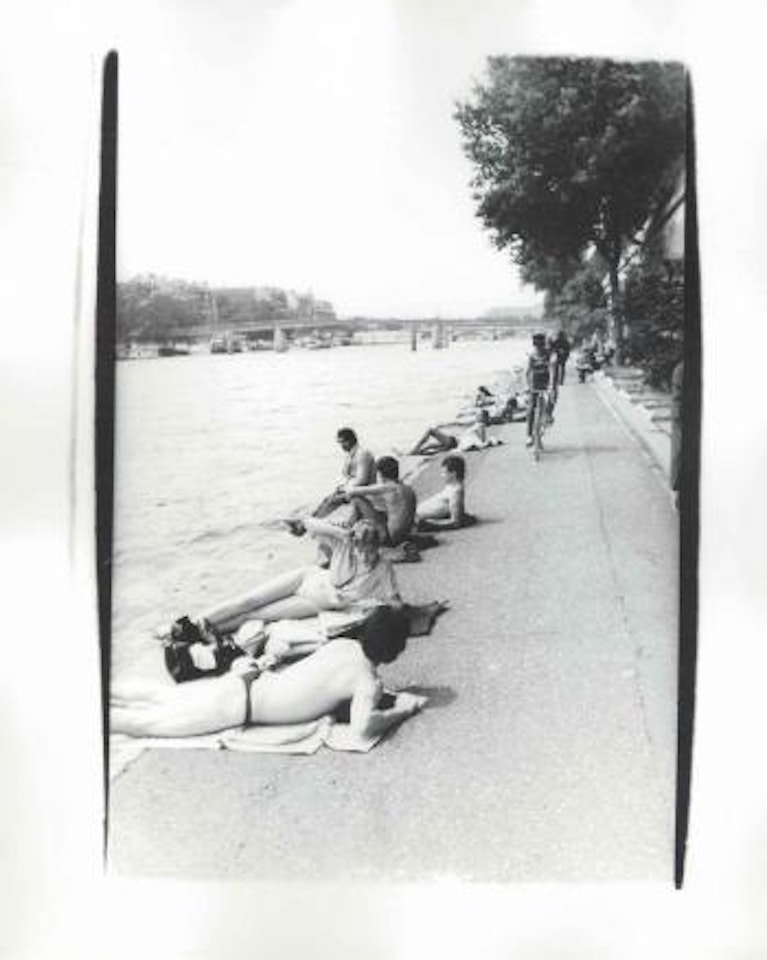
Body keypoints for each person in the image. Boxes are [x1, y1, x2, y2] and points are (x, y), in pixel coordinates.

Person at [112, 605, 427, 740]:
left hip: (243, 682)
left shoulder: (342, 645)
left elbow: (313, 682)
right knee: (143, 722)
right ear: (395, 650)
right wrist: (405, 709)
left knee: (157, 697)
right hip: (237, 707)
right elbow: (362, 729)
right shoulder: (367, 682)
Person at [192, 516, 402, 634]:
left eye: (370, 550)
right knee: (247, 601)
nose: (365, 554)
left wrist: (378, 612)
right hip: (306, 578)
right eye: (360, 548)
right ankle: (194, 623)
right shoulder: (343, 544)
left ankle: (206, 633)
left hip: (317, 604)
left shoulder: (383, 568)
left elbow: (395, 602)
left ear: (378, 547)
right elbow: (307, 522)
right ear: (354, 542)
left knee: (254, 616)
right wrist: (342, 533)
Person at [343, 455, 417, 546]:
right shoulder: (407, 488)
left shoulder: (387, 488)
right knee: (377, 509)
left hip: (390, 538)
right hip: (405, 535)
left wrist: (347, 486)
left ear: (380, 474)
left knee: (357, 499)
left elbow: (352, 491)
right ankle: (350, 527)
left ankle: (348, 531)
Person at [313, 427, 376, 518]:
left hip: (363, 492)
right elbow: (347, 474)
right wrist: (343, 487)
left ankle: (314, 521)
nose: (341, 445)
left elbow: (362, 480)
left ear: (350, 440)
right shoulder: (351, 454)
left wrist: (345, 488)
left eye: (343, 442)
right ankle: (311, 519)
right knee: (327, 499)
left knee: (332, 500)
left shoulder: (363, 454)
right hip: (354, 489)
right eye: (340, 442)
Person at [415, 454, 474, 531]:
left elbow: (456, 522)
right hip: (415, 515)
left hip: (417, 519)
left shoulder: (456, 492)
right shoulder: (451, 486)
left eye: (444, 472)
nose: (441, 475)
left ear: (453, 474)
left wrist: (431, 524)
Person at [410, 408, 502, 455]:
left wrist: (484, 443)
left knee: (430, 431)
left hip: (454, 441)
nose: (477, 416)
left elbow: (482, 441)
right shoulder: (478, 424)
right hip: (454, 443)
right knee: (429, 446)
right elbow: (459, 423)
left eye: (478, 415)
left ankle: (412, 451)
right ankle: (413, 453)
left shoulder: (480, 425)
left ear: (483, 417)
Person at [525, 333, 558, 448]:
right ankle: (529, 435)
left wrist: (551, 387)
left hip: (547, 381)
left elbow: (553, 371)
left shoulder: (550, 355)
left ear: (544, 345)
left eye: (541, 346)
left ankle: (548, 414)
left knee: (553, 395)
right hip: (535, 382)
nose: (539, 348)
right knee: (530, 408)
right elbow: (528, 372)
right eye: (537, 346)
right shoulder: (532, 356)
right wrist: (527, 386)